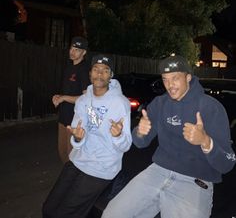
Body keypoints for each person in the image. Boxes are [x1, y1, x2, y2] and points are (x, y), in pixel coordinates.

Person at [102, 55, 236, 218]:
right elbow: (140, 143)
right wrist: (140, 132)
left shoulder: (211, 108)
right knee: (112, 214)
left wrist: (205, 141)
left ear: (188, 77)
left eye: (175, 78)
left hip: (195, 180)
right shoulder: (160, 103)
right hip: (158, 171)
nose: (170, 85)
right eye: (165, 79)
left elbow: (227, 163)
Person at [42, 54, 132, 218]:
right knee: (48, 209)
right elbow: (77, 138)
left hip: (102, 166)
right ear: (90, 73)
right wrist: (77, 138)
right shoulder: (83, 100)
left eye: (105, 71)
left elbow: (125, 146)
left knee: (66, 213)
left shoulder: (120, 103)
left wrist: (118, 135)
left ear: (111, 75)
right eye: (96, 69)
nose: (99, 74)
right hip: (79, 159)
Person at [52, 36, 90, 163]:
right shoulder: (69, 66)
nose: (72, 52)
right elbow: (66, 92)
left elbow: (86, 98)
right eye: (71, 48)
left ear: (84, 52)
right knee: (62, 152)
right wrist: (58, 96)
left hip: (75, 120)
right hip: (63, 117)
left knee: (72, 155)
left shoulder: (84, 70)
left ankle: (73, 181)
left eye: (77, 50)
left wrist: (64, 98)